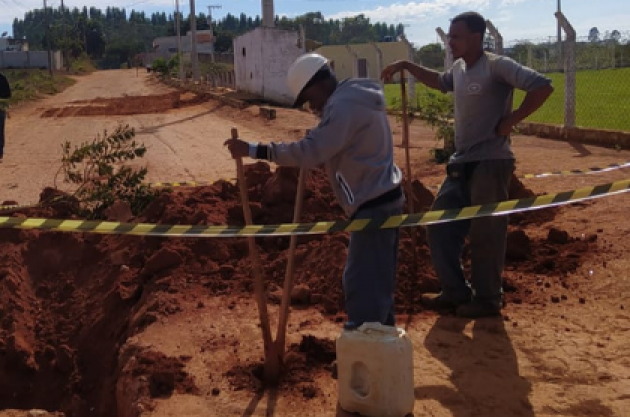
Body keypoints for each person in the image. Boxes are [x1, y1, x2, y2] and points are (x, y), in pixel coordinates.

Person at [381, 11, 554, 318]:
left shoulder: (497, 65)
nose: (450, 42)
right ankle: (455, 291)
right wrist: (407, 65)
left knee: (486, 232)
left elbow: (542, 86)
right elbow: (439, 81)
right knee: (438, 225)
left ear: (477, 37)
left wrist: (510, 121)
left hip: (491, 161)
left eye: (456, 36)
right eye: (449, 36)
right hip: (462, 162)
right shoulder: (459, 69)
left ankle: (488, 300)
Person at [225, 53, 404, 330]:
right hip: (383, 196)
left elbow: (312, 152)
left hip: (373, 203)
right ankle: (381, 344)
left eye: (309, 100)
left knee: (362, 282)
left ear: (318, 85)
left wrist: (255, 149)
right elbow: (332, 146)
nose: (312, 108)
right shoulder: (355, 96)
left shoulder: (343, 107)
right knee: (377, 280)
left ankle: (364, 350)